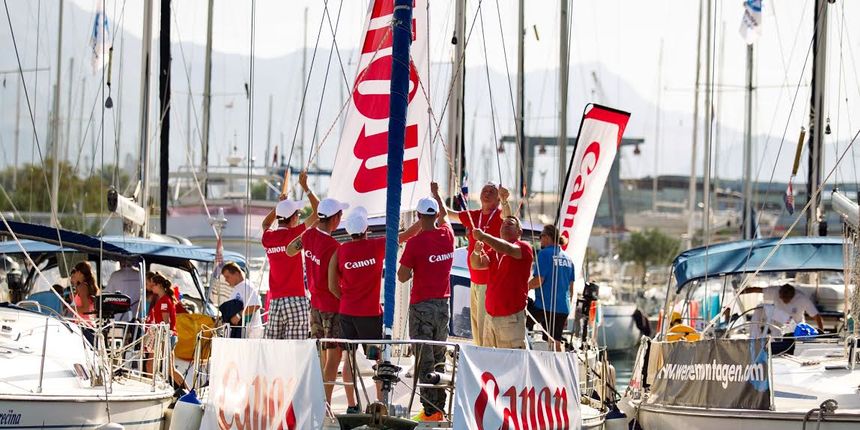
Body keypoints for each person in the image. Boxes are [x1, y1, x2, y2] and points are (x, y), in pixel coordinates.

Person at [286, 197, 353, 407]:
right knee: (333, 357)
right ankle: (324, 404)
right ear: (335, 219)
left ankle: (319, 400)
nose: (341, 218)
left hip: (314, 305)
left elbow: (289, 250)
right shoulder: (335, 246)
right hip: (331, 306)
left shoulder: (308, 236)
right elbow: (336, 284)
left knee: (323, 354)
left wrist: (311, 229)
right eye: (340, 215)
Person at [397, 189, 454, 422]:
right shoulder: (448, 235)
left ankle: (430, 411)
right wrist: (438, 195)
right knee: (439, 357)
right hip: (443, 305)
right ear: (435, 214)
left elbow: (402, 276)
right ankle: (438, 408)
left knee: (424, 359)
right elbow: (446, 216)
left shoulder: (415, 243)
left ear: (419, 216)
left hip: (422, 305)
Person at [435, 181, 511, 346]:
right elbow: (449, 214)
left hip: (490, 282)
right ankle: (480, 359)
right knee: (476, 328)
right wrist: (436, 195)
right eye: (485, 190)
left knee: (485, 329)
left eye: (492, 191)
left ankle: (486, 361)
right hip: (475, 280)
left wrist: (505, 200)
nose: (487, 193)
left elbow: (509, 217)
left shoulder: (500, 215)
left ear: (497, 199)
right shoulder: (473, 215)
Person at [261, 171, 319, 340]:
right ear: (293, 218)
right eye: (298, 215)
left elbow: (265, 223)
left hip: (275, 302)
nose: (299, 217)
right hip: (295, 300)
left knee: (273, 348)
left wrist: (278, 207)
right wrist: (306, 187)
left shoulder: (268, 238)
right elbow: (318, 211)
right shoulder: (295, 234)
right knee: (296, 349)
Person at [470, 216, 534, 349]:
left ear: (519, 232)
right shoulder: (494, 252)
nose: (505, 225)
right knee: (490, 364)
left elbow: (508, 249)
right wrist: (476, 251)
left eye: (510, 223)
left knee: (511, 363)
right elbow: (477, 264)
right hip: (490, 317)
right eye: (503, 223)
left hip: (511, 317)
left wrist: (483, 236)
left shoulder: (524, 247)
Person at [527, 225, 574, 351]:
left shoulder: (544, 254)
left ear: (547, 237)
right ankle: (559, 367)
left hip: (544, 306)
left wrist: (523, 289)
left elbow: (539, 281)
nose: (540, 239)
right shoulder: (568, 259)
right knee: (555, 341)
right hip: (563, 308)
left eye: (541, 236)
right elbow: (571, 289)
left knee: (521, 324)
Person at [144, 271, 189, 390]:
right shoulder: (165, 299)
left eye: (153, 285)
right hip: (166, 336)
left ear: (159, 286)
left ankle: (151, 390)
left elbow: (166, 322)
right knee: (168, 369)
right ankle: (189, 391)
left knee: (152, 366)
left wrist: (159, 336)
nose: (151, 287)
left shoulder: (164, 301)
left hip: (164, 337)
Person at [741, 283, 824, 332]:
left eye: (786, 299)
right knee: (760, 308)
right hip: (778, 325)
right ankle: (754, 337)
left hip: (795, 328)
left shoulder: (802, 299)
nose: (784, 300)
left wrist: (821, 332)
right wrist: (740, 292)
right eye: (782, 298)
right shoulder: (775, 291)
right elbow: (757, 290)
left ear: (793, 295)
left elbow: (816, 316)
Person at [220, 262, 264, 338]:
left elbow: (256, 305)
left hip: (249, 333)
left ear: (236, 273)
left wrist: (238, 315)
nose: (226, 280)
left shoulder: (247, 286)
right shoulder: (236, 288)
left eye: (227, 277)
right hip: (239, 332)